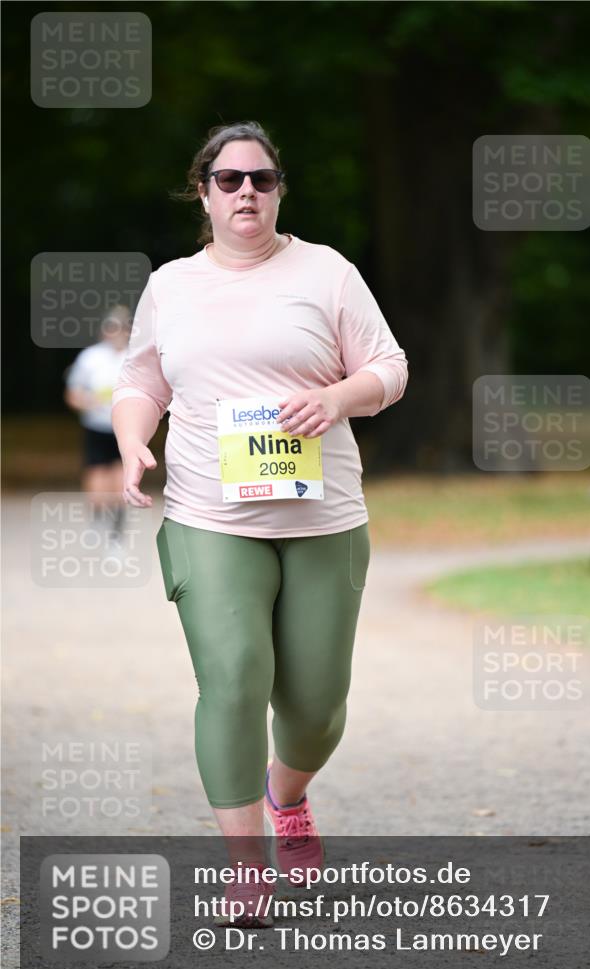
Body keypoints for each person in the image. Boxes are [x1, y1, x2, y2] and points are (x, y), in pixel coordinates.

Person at [111, 120, 408, 927]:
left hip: (323, 519)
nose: (248, 191)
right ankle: (247, 869)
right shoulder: (172, 284)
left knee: (314, 707)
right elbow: (141, 378)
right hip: (211, 515)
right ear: (202, 192)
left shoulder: (326, 272)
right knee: (234, 678)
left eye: (263, 179)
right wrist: (135, 441)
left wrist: (337, 398)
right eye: (231, 179)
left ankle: (289, 795)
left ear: (279, 191)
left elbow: (389, 366)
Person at [64, 304, 131, 541]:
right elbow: (72, 394)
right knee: (96, 476)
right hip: (96, 426)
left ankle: (117, 528)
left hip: (124, 427)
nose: (116, 332)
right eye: (112, 327)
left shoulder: (134, 356)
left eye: (122, 327)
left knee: (121, 477)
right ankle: (98, 516)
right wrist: (87, 402)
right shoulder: (90, 357)